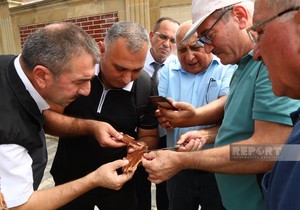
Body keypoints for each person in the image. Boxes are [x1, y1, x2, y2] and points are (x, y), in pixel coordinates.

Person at [142, 1, 300, 210]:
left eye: (208, 35)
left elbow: (270, 150)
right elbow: (241, 118)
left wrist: (184, 161)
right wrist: (200, 123)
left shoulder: (267, 67)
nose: (207, 47)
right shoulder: (241, 66)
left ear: (240, 16)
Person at [0, 22, 133, 209]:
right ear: (41, 75)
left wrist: (92, 127)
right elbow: (20, 206)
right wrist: (93, 179)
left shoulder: (10, 66)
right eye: (80, 81)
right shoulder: (9, 132)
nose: (87, 91)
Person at [44, 21, 158, 210]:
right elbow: (48, 120)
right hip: (70, 181)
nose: (127, 79)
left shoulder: (146, 86)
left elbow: (150, 135)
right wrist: (91, 127)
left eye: (137, 69)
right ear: (101, 49)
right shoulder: (74, 72)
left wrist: (140, 148)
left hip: (119, 186)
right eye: (120, 68)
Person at [158, 20, 235, 210]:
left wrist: (193, 117)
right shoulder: (168, 69)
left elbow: (227, 107)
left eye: (195, 48)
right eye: (182, 50)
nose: (189, 56)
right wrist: (164, 118)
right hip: (178, 166)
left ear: (208, 45)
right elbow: (163, 107)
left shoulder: (226, 67)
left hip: (215, 165)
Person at [249, 0, 300, 209]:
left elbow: (271, 148)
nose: (256, 53)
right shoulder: (238, 72)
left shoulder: (265, 74)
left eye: (259, 32)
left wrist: (190, 159)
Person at [139, 17, 179, 210]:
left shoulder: (178, 67)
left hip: (165, 137)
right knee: (139, 189)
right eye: (163, 37)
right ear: (152, 36)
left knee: (166, 191)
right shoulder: (136, 62)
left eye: (173, 40)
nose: (167, 44)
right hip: (139, 137)